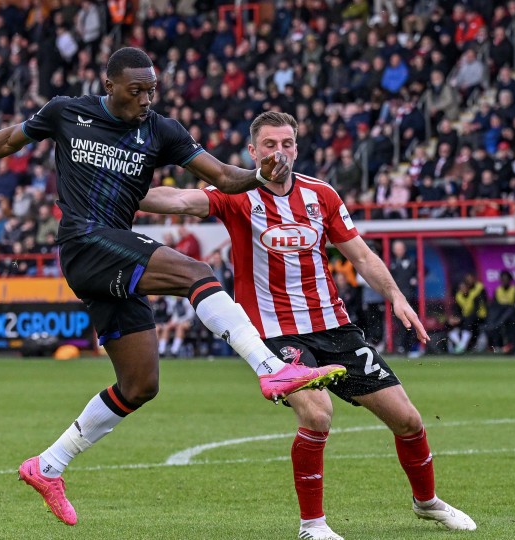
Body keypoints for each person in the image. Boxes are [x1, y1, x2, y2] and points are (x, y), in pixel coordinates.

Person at [0, 48, 346, 526]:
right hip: (84, 242)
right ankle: (269, 367)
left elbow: (222, 177)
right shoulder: (67, 112)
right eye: (136, 91)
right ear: (109, 85)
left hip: (115, 249)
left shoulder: (161, 131)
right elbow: (7, 141)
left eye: (152, 90)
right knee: (196, 273)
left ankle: (48, 466)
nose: (146, 99)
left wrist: (259, 174)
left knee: (140, 384)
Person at [140, 111, 477, 539]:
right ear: (252, 152)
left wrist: (395, 296)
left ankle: (427, 503)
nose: (278, 152)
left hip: (335, 327)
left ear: (296, 148)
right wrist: (123, 194)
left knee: (408, 420)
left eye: (286, 144)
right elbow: (180, 200)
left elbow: (362, 256)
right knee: (318, 413)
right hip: (275, 334)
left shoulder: (322, 195)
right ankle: (312, 526)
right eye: (268, 145)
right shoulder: (238, 195)